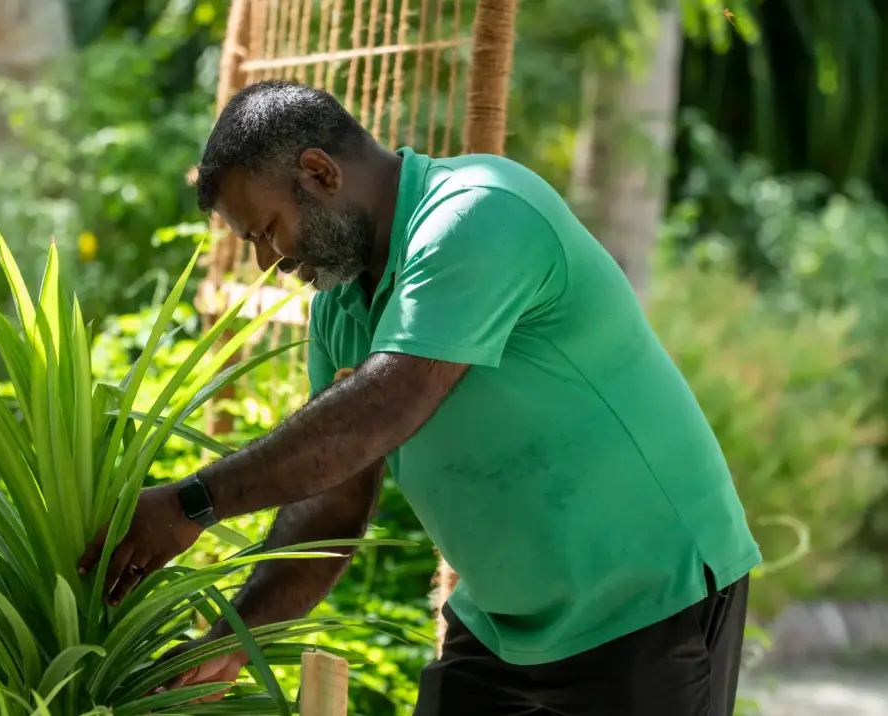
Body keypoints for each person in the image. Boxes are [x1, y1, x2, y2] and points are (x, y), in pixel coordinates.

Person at [78, 79, 762, 716]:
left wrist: (194, 501)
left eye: (264, 231)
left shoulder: (477, 213)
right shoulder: (341, 310)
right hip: (505, 624)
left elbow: (384, 407)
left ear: (320, 173)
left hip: (645, 600)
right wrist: (234, 636)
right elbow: (334, 498)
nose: (267, 262)